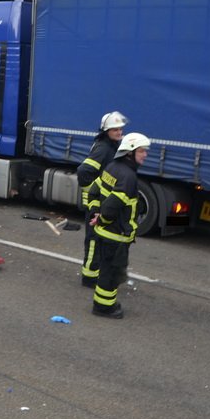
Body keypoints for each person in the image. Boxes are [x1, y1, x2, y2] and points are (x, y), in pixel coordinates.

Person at [88, 132, 150, 319]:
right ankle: (104, 307)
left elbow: (93, 191)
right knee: (111, 273)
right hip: (116, 236)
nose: (145, 155)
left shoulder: (112, 167)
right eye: (141, 151)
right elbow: (111, 207)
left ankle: (103, 303)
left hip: (104, 233)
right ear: (130, 152)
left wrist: (95, 214)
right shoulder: (128, 177)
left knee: (106, 270)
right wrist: (102, 218)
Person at [77, 111, 128, 287]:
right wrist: (93, 196)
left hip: (103, 202)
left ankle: (97, 273)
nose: (119, 132)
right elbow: (84, 172)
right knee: (94, 240)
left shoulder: (112, 146)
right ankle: (89, 277)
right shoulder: (103, 148)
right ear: (106, 131)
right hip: (97, 203)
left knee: (100, 240)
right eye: (115, 129)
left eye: (120, 129)